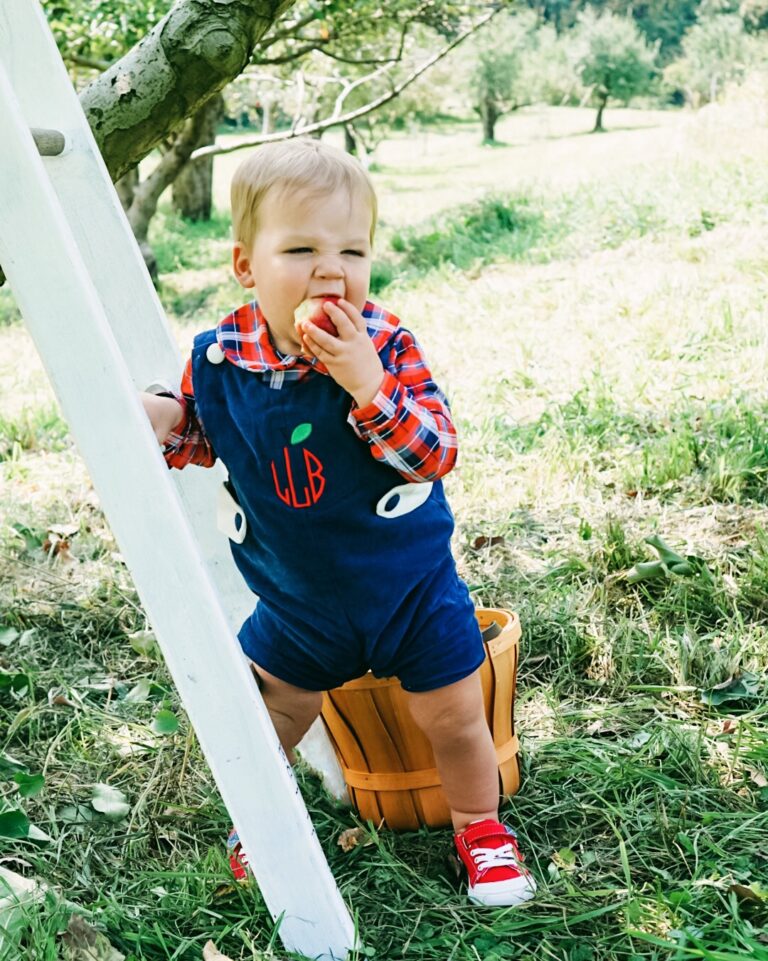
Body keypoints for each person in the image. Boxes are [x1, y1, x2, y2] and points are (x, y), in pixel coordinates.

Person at [141, 138, 536, 907]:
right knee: (271, 714)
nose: (333, 270)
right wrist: (167, 417)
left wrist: (366, 382)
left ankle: (480, 828)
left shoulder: (384, 343)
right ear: (246, 267)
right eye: (302, 247)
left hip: (407, 587)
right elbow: (205, 435)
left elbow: (434, 451)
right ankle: (261, 820)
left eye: (352, 249)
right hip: (298, 599)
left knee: (455, 717)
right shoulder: (218, 359)